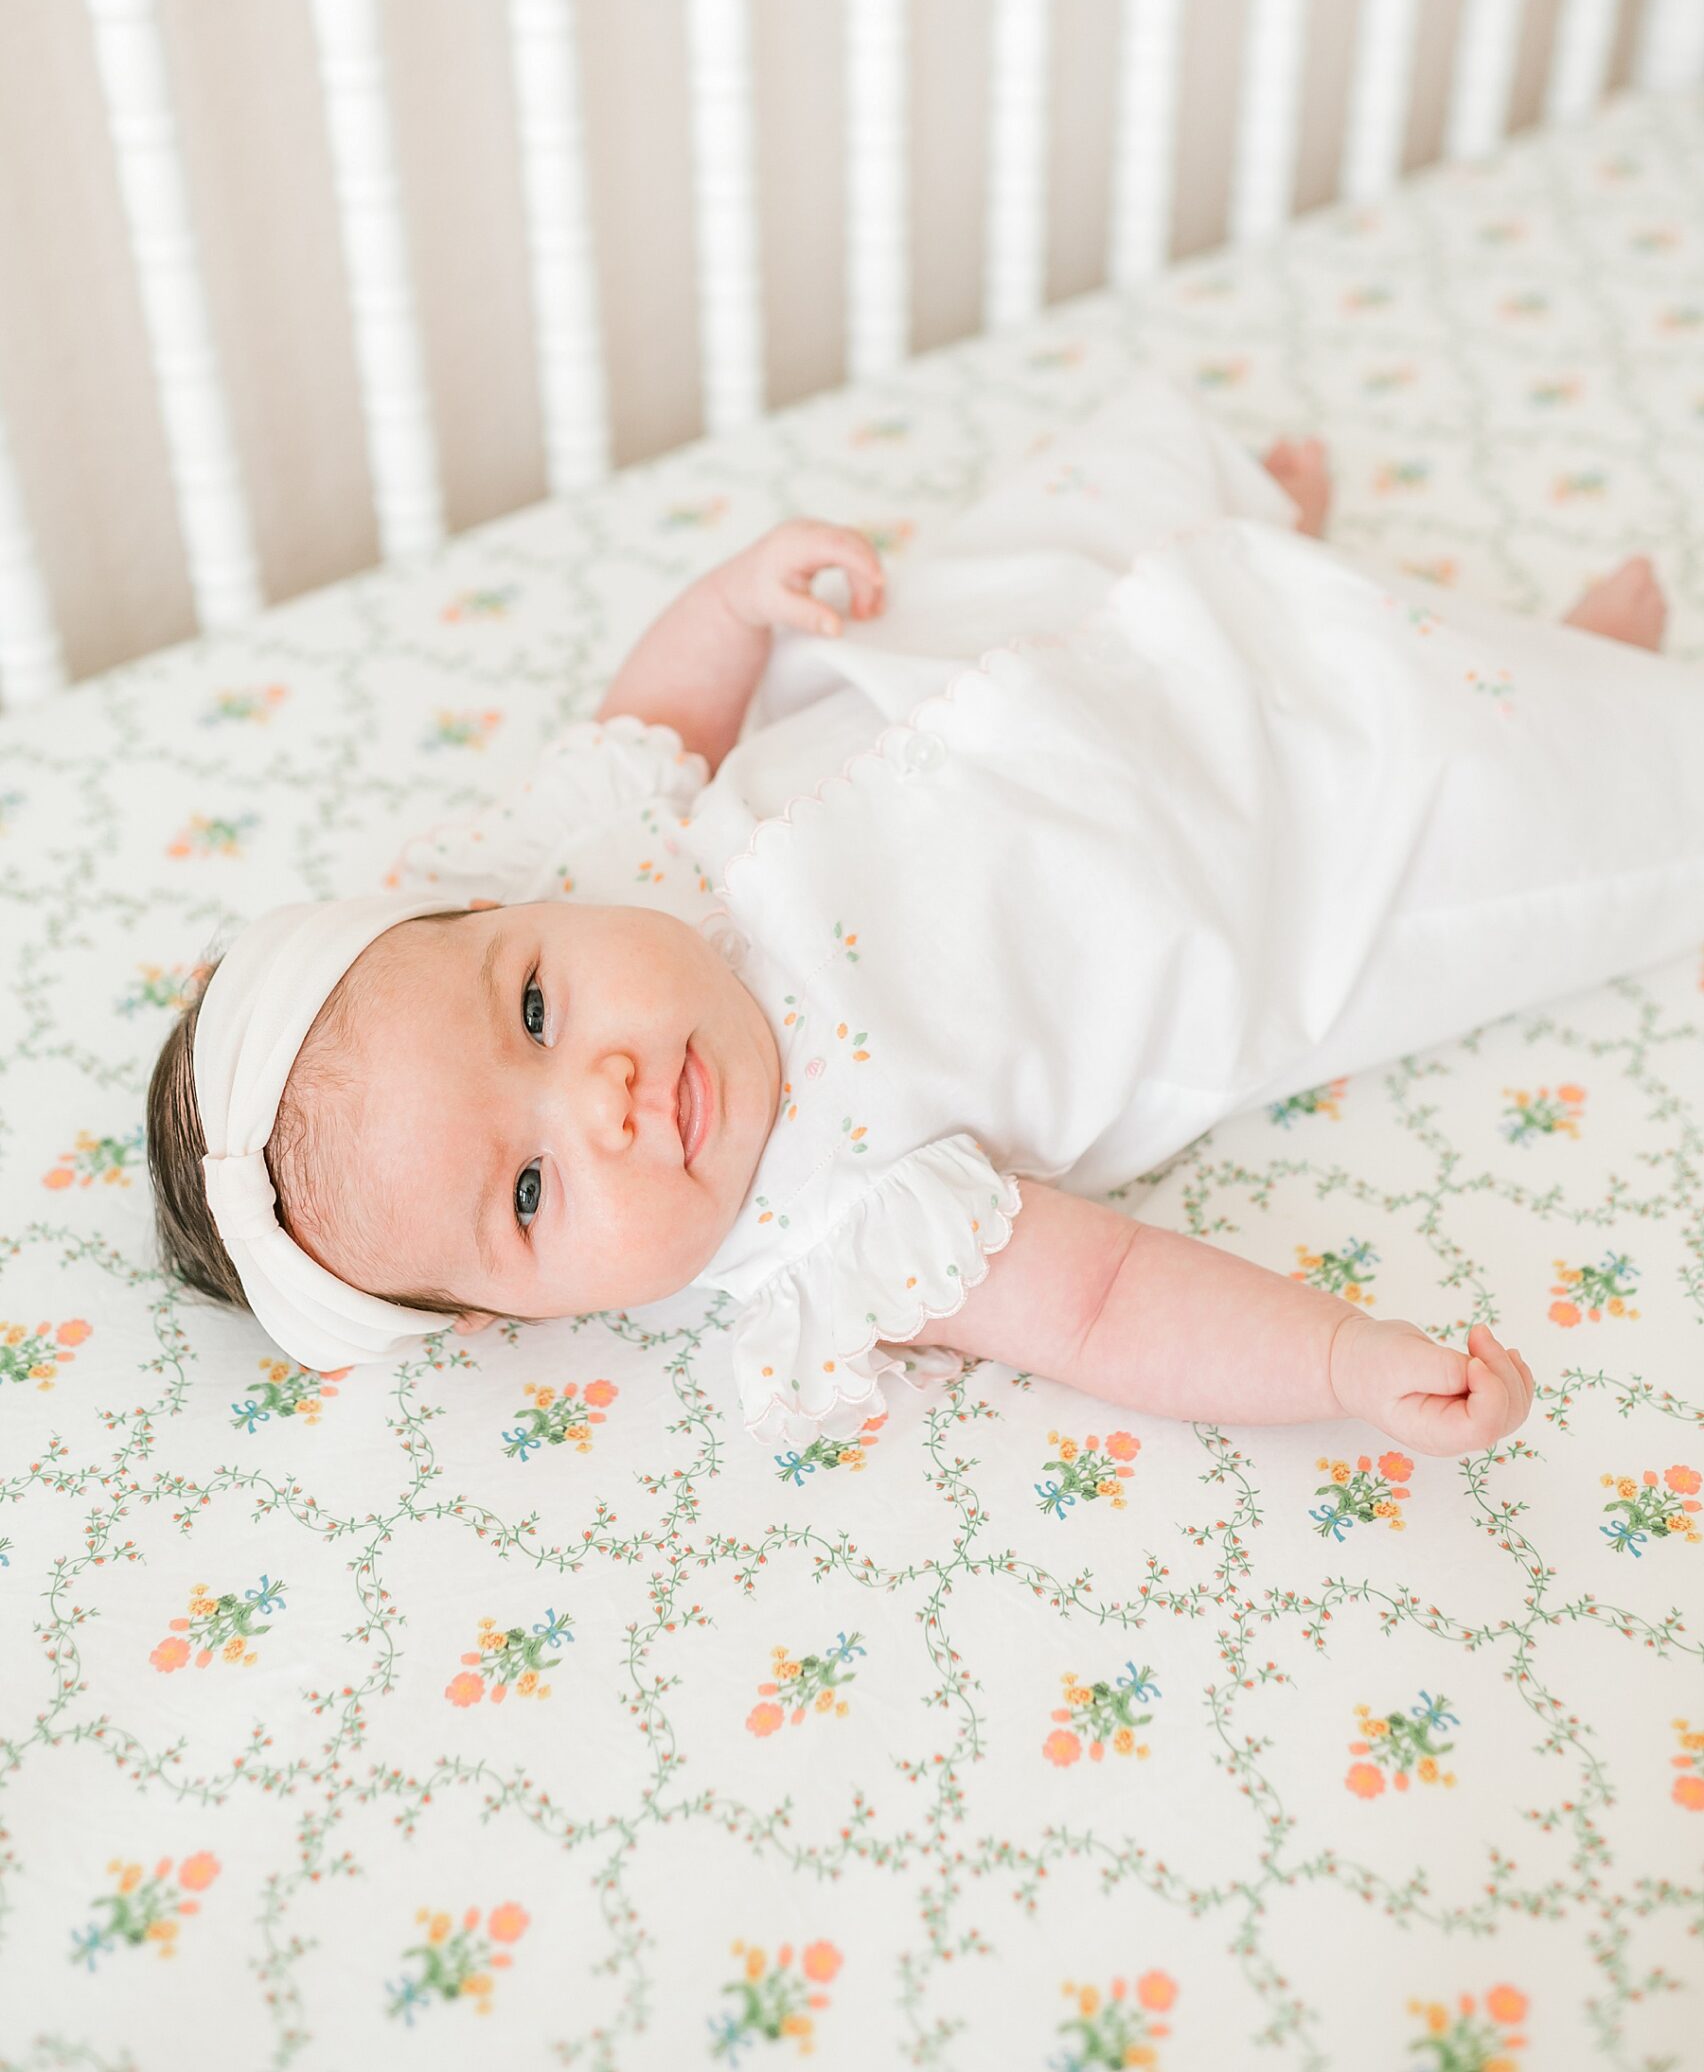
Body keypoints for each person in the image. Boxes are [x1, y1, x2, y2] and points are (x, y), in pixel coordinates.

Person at [147, 345, 1696, 1460]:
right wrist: (1345, 1362)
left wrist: (735, 602)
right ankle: (1562, 671)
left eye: (537, 1011)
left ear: (502, 913)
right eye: (535, 1193)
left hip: (1006, 677)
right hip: (1213, 862)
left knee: (1059, 543)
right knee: (1445, 787)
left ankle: (1252, 540)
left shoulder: (607, 861)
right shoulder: (845, 1218)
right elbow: (1104, 1302)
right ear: (512, 1319)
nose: (604, 1096)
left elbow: (662, 721)